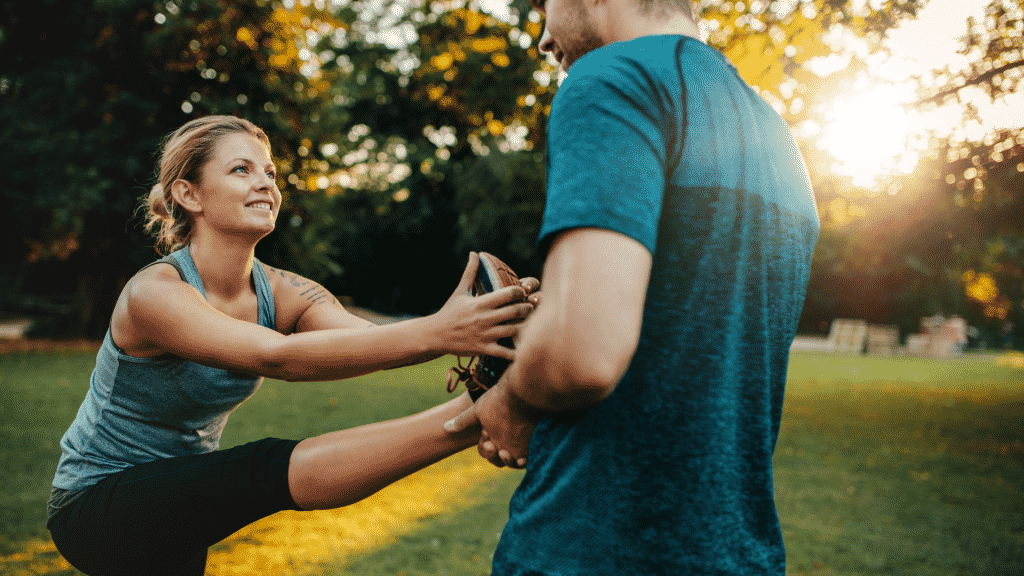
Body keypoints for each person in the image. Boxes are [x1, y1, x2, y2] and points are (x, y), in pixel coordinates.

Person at [46, 115, 539, 576]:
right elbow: (277, 358)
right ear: (188, 194)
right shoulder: (155, 293)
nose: (265, 183)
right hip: (95, 503)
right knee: (260, 468)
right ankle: (473, 416)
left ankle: (481, 408)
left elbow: (368, 341)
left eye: (270, 173)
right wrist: (442, 331)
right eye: (241, 170)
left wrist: (489, 325)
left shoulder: (283, 291)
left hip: (183, 498)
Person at [445, 0, 820, 574]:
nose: (544, 40)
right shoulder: (776, 135)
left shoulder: (613, 79)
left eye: (544, 6)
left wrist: (513, 401)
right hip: (735, 551)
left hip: (591, 546)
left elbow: (579, 355)